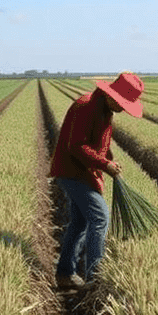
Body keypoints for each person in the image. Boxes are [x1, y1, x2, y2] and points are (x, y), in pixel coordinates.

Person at [48, 72, 144, 289]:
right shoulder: (86, 107)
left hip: (83, 172)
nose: (123, 108)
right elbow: (77, 146)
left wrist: (108, 159)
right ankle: (95, 277)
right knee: (100, 217)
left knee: (81, 223)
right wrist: (104, 165)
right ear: (112, 95)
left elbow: (98, 142)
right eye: (122, 103)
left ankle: (65, 274)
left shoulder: (105, 109)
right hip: (72, 172)